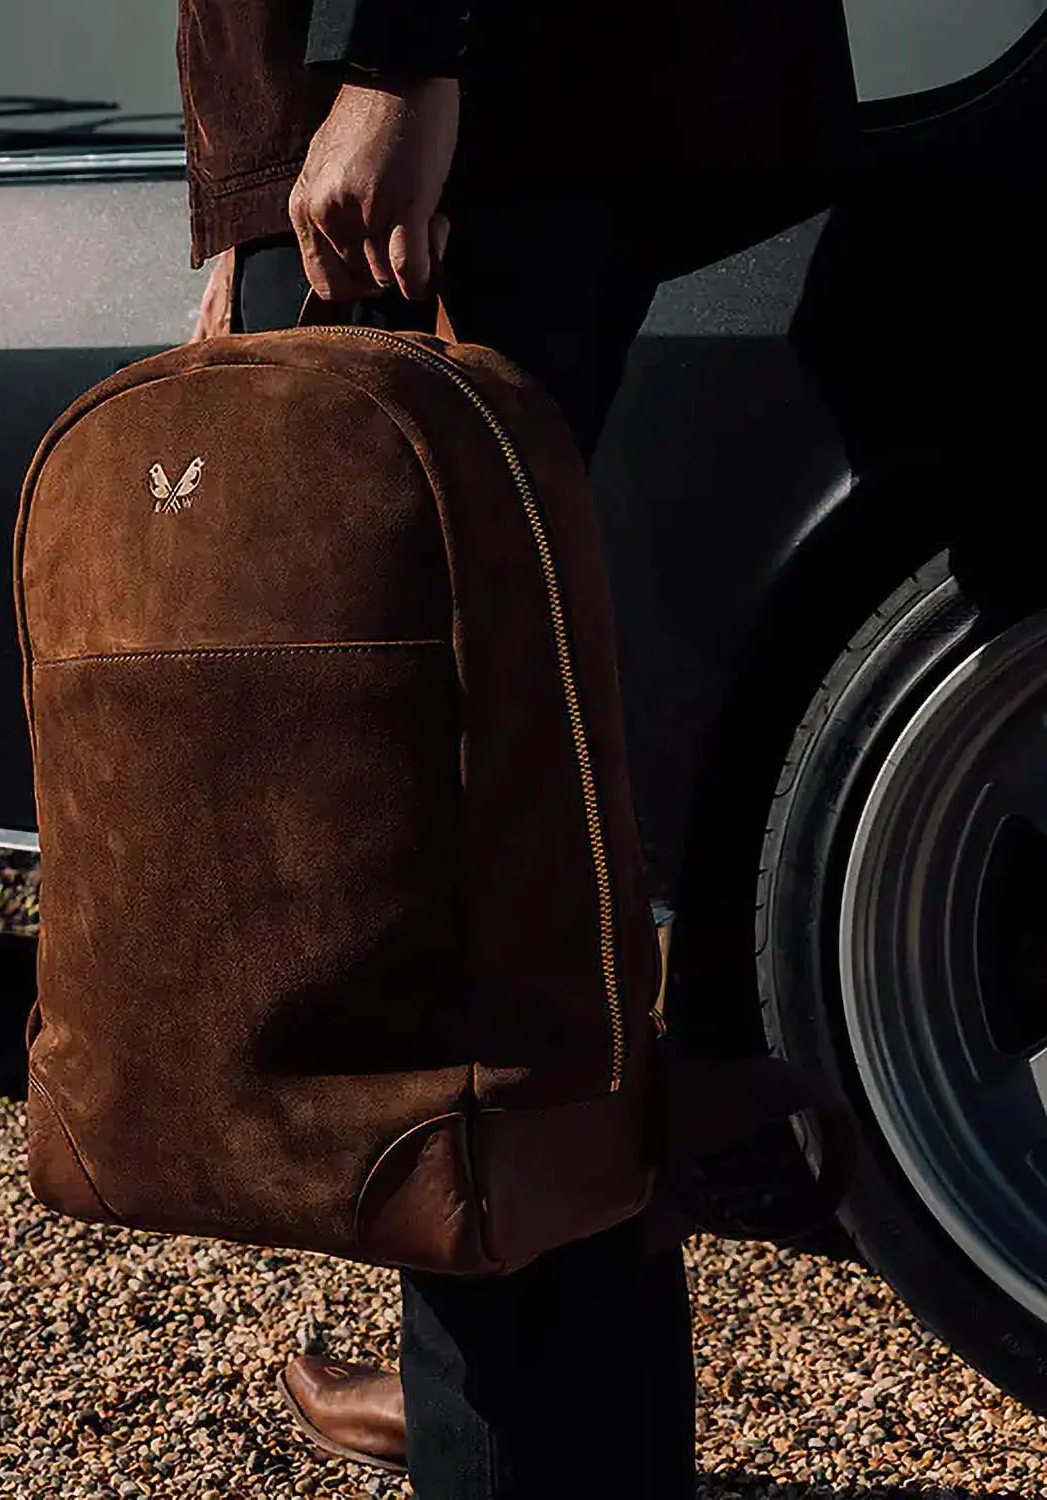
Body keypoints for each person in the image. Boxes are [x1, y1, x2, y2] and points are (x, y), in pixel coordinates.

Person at [179, 3, 857, 1495]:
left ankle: (517, 1432)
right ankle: (516, 1398)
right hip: (453, 107)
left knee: (443, 850)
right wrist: (248, 183)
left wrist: (404, 58)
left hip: (463, 109)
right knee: (490, 817)